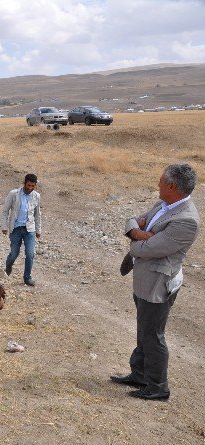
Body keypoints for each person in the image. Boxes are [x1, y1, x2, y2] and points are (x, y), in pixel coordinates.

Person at [111, 164, 200, 401]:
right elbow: (133, 220)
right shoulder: (164, 205)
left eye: (161, 181)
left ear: (171, 186)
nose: (157, 184)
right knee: (144, 330)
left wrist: (136, 241)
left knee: (153, 334)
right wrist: (137, 233)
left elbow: (150, 249)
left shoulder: (186, 220)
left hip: (158, 285)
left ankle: (158, 386)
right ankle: (139, 374)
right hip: (144, 280)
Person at [0, 173, 41, 286]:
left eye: (33, 186)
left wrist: (38, 230)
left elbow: (37, 214)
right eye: (28, 185)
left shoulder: (36, 196)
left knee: (30, 253)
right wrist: (4, 226)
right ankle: (8, 267)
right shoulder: (14, 194)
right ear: (24, 183)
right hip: (16, 228)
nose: (30, 188)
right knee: (14, 254)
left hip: (29, 229)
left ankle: (27, 277)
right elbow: (5, 211)